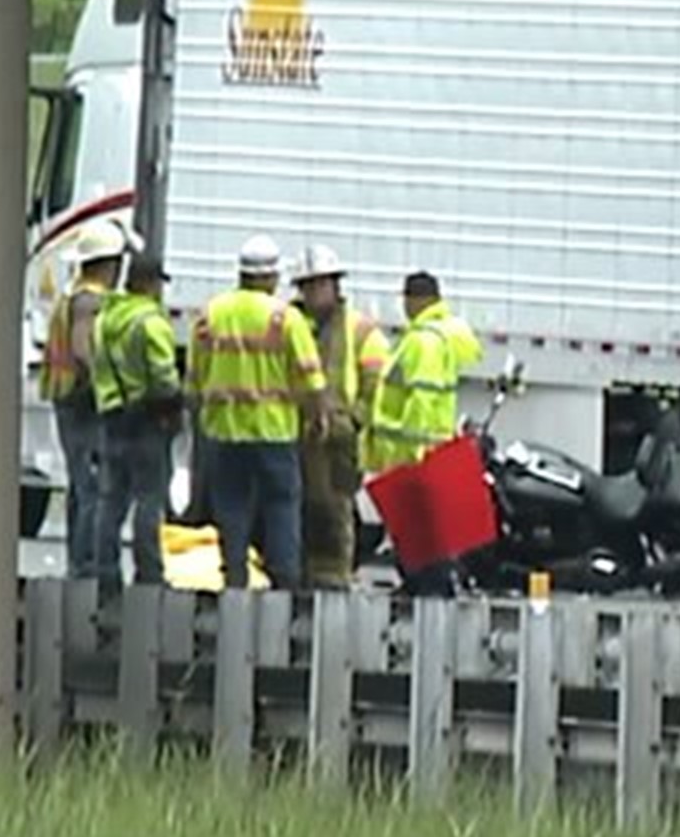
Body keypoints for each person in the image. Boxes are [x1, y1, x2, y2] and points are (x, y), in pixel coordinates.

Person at [188, 234, 331, 590]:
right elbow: (311, 379)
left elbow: (194, 380)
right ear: (271, 276)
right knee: (281, 506)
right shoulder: (285, 319)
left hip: (224, 433)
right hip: (274, 434)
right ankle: (284, 585)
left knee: (231, 509)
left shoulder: (211, 315)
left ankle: (234, 579)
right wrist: (318, 417)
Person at [291, 245, 390, 588]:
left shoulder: (359, 328)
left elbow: (376, 380)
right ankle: (298, 579)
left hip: (338, 439)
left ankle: (333, 579)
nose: (315, 292)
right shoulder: (290, 323)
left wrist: (354, 421)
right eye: (309, 285)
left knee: (333, 513)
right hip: (294, 435)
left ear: (336, 285)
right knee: (295, 513)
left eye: (321, 284)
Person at [38, 218, 128, 580]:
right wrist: (110, 387)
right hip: (85, 402)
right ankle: (86, 567)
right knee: (95, 487)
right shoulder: (91, 301)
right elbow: (83, 349)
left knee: (81, 485)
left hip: (67, 398)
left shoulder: (72, 294)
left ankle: (78, 563)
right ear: (110, 264)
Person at [89, 253, 179, 591]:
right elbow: (163, 376)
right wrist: (172, 405)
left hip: (112, 418)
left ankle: (105, 572)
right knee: (149, 498)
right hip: (147, 420)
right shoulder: (150, 322)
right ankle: (149, 573)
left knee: (111, 501)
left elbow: (97, 368)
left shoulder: (105, 318)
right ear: (149, 283)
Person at [364, 271, 483, 474]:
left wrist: (409, 459)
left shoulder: (424, 341)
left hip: (412, 457)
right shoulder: (440, 333)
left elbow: (422, 400)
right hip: (429, 453)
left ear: (415, 301)